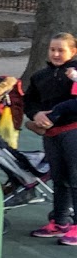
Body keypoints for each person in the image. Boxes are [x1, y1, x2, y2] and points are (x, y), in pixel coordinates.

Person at [25, 32, 77, 241]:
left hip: (73, 131)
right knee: (60, 179)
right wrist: (36, 115)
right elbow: (30, 101)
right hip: (51, 134)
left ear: (73, 52)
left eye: (61, 50)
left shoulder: (75, 74)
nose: (55, 54)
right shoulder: (39, 76)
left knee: (75, 179)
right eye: (52, 49)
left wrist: (56, 113)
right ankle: (60, 221)